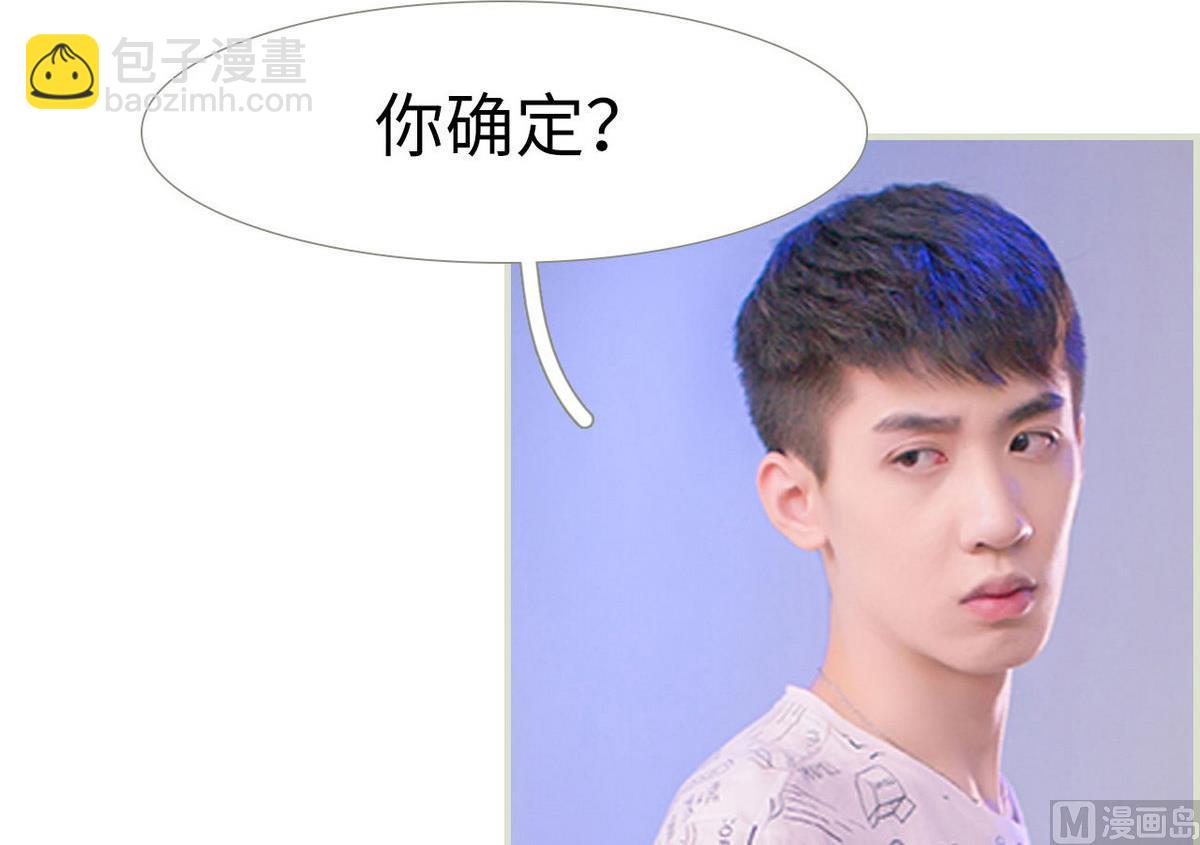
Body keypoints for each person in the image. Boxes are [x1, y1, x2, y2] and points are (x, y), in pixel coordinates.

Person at [653, 183, 1086, 845]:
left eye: (1029, 441)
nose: (999, 521)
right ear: (798, 501)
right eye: (916, 456)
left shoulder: (970, 802)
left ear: (1079, 440)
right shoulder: (768, 821)